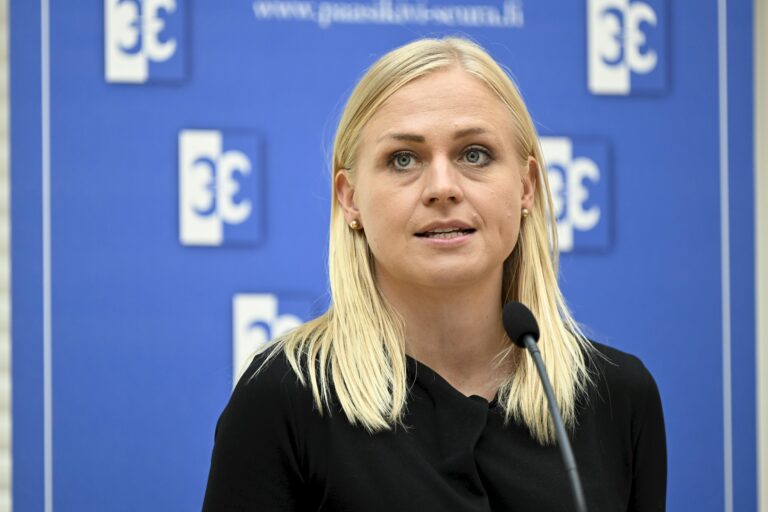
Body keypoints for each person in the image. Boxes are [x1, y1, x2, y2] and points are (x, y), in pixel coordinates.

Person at [202, 36, 666, 511]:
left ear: (526, 187)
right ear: (350, 199)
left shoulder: (620, 398)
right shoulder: (284, 399)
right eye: (403, 159)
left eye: (474, 155)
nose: (442, 188)